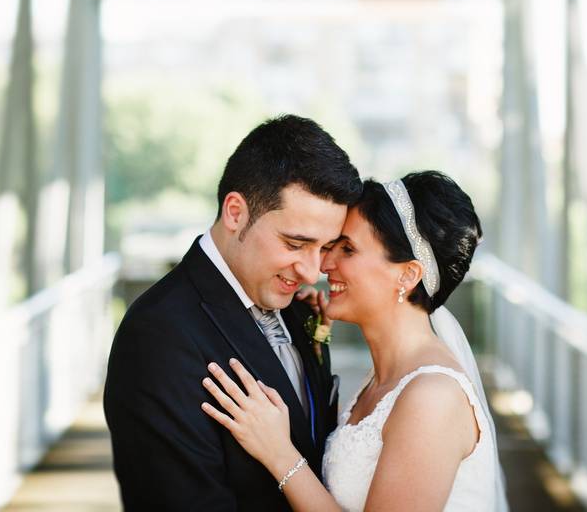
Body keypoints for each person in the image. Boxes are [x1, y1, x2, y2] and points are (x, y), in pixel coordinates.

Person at [201, 172, 509, 511]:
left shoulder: (432, 398)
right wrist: (314, 346)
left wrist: (279, 453)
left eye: (347, 248)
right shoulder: (383, 379)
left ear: (407, 274)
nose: (324, 264)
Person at [103, 115, 362, 510]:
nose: (313, 272)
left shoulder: (297, 308)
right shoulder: (159, 336)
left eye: (325, 248)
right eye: (295, 244)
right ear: (236, 212)